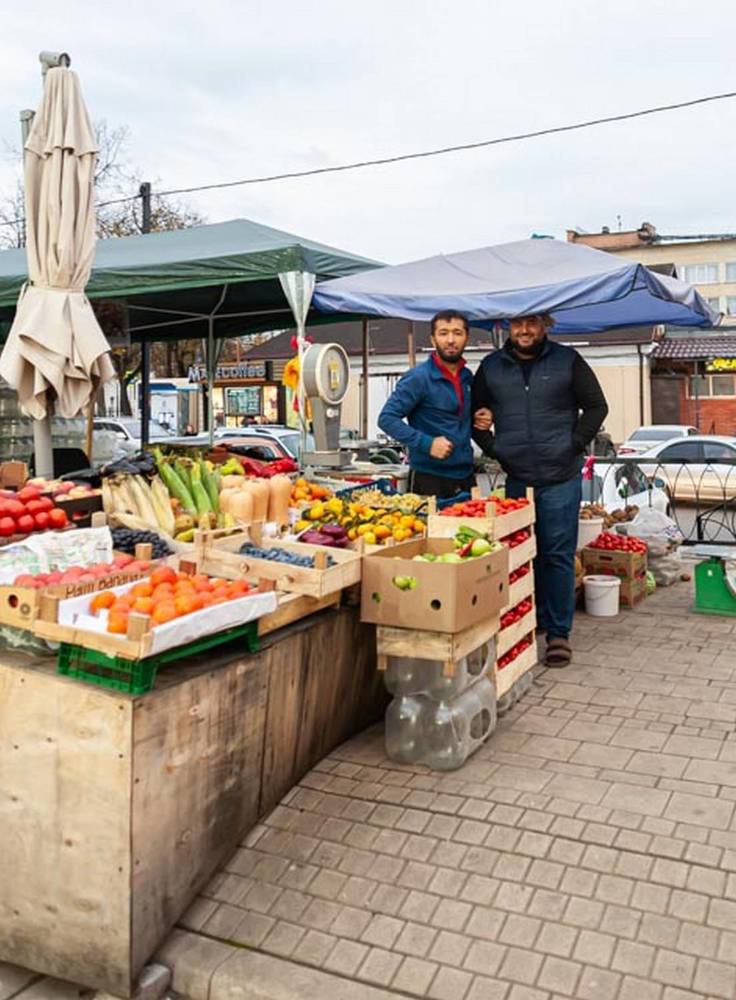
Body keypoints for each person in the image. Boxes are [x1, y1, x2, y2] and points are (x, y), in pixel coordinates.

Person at [472, 314, 608, 667]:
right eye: (518, 324)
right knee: (522, 555)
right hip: (518, 478)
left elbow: (597, 406)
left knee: (557, 555)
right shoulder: (491, 367)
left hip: (561, 475)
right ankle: (529, 623)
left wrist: (573, 444)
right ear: (508, 328)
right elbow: (475, 416)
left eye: (532, 323)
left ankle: (558, 633)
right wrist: (495, 448)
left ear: (546, 325)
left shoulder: (568, 361)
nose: (525, 331)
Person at [378, 311, 478, 498]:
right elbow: (387, 419)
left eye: (457, 333)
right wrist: (426, 443)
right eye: (443, 333)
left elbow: (458, 419)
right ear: (433, 340)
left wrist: (482, 416)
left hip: (466, 476)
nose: (450, 340)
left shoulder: (467, 377)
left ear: (466, 338)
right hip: (430, 479)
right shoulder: (418, 378)